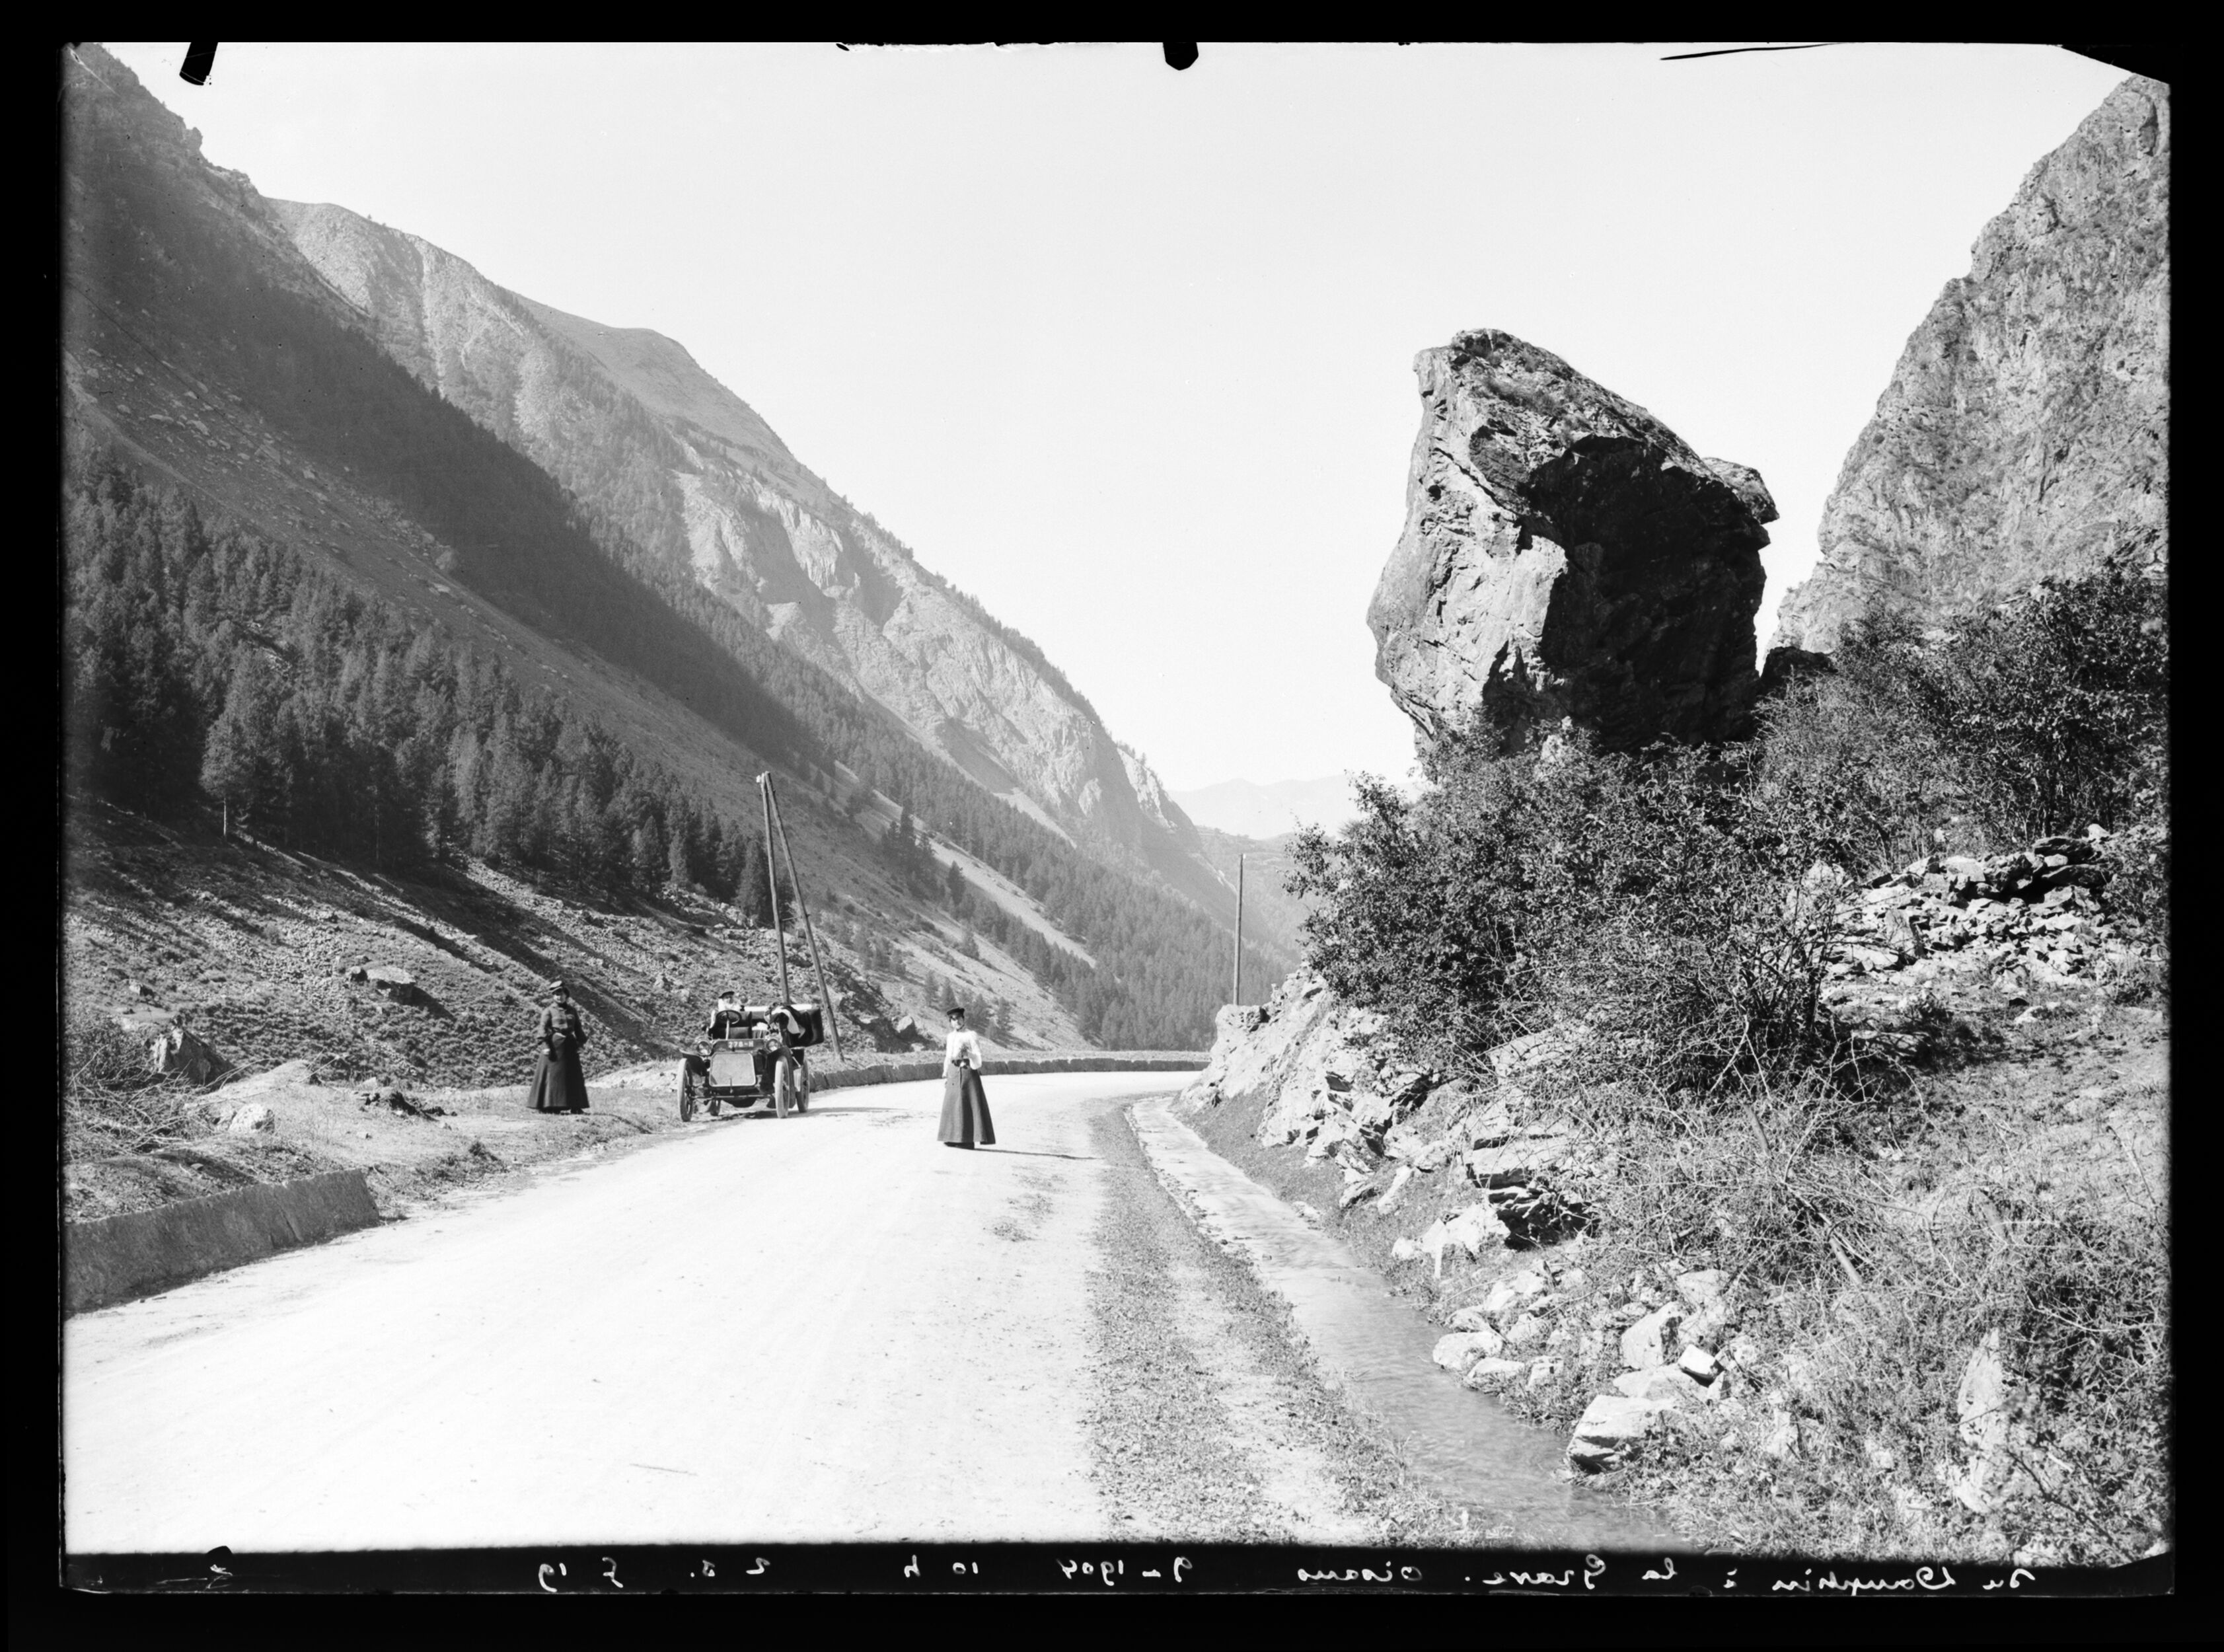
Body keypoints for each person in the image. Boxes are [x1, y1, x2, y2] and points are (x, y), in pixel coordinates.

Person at [527, 980, 591, 1113]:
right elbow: (543, 1029)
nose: (559, 997)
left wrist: (580, 1044)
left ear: (566, 995)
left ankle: (576, 1107)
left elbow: (578, 1028)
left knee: (573, 1075)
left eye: (561, 994)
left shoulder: (572, 1011)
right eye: (556, 995)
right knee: (554, 1076)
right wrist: (546, 1045)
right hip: (554, 1047)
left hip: (570, 1046)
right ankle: (551, 1107)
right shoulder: (549, 1011)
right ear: (553, 996)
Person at [936, 1004, 994, 1148]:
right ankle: (952, 1137)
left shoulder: (971, 1035)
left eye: (959, 1018)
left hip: (967, 1070)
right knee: (952, 1104)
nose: (957, 1022)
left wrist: (968, 1054)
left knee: (966, 1104)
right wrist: (946, 1073)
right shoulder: (950, 1037)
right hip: (954, 1071)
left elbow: (978, 1057)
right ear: (950, 1022)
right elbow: (948, 1056)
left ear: (964, 1019)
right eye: (953, 1019)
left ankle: (967, 1140)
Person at [683, 991, 750, 1088]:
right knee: (704, 1050)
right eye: (726, 998)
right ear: (722, 1000)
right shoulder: (717, 1012)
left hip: (740, 1041)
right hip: (719, 1039)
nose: (729, 999)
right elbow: (712, 1028)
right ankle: (706, 1076)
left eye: (730, 997)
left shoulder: (740, 1010)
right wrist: (709, 1031)